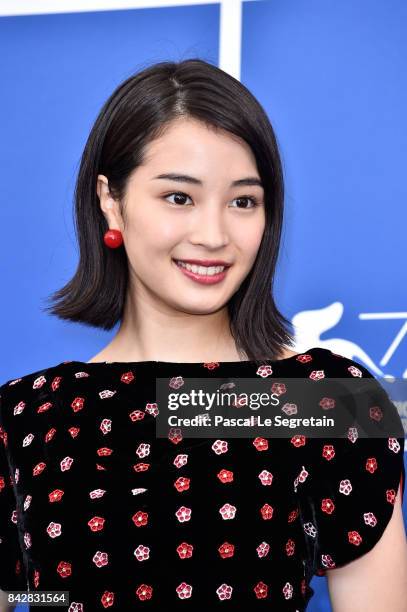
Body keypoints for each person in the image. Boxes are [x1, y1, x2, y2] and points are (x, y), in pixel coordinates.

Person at [0, 59, 405, 612]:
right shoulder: (29, 414)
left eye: (243, 201)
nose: (213, 235)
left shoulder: (322, 400)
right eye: (179, 197)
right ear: (110, 200)